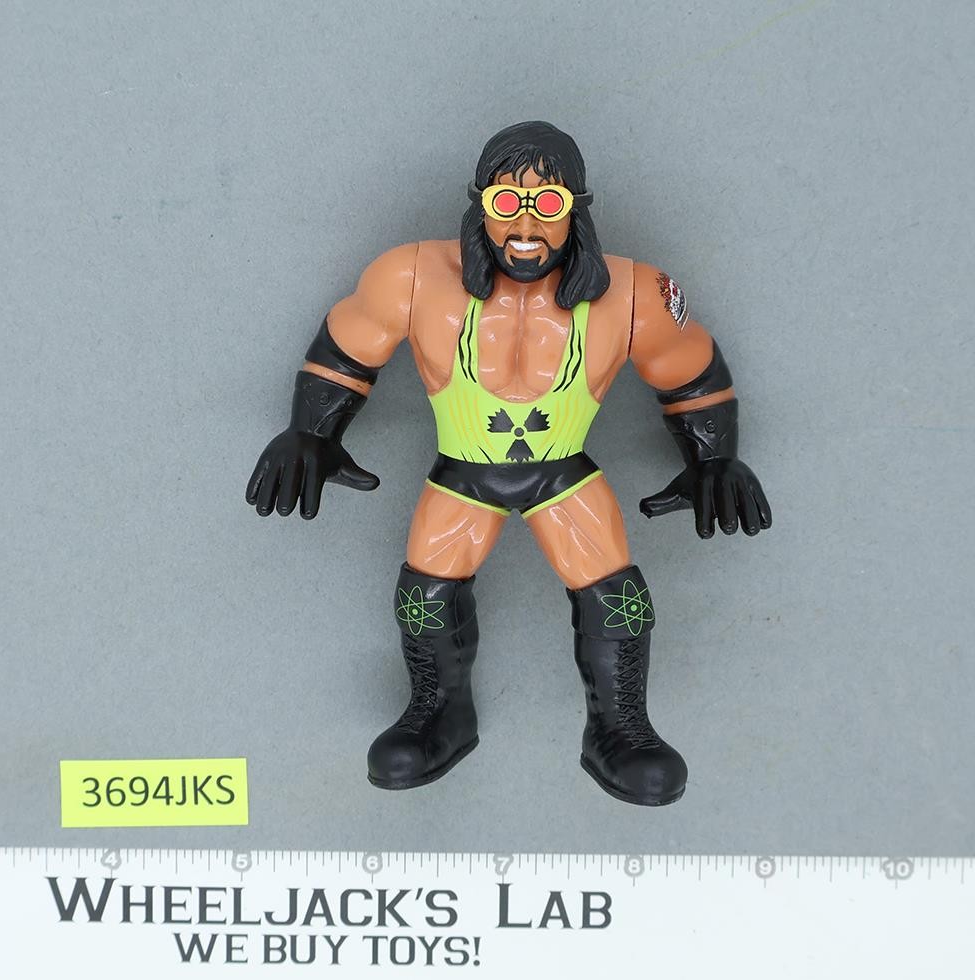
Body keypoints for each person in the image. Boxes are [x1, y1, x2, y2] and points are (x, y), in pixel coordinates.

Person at [246, 121, 771, 805]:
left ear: (577, 209)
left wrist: (714, 458)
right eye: (507, 202)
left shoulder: (635, 292)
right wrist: (311, 433)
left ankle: (621, 728)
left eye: (548, 204)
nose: (526, 225)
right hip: (465, 470)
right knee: (425, 589)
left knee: (615, 589)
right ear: (480, 204)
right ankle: (436, 712)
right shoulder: (411, 277)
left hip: (563, 472)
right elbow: (347, 350)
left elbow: (690, 370)